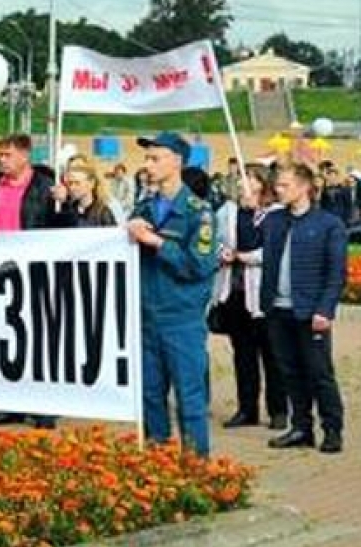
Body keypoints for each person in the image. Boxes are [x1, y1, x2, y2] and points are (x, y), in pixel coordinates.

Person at [126, 132, 221, 457]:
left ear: (177, 162)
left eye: (156, 158)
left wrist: (156, 242)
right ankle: (159, 463)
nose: (148, 165)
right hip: (146, 316)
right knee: (150, 395)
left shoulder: (199, 212)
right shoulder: (143, 208)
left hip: (181, 319)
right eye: (147, 158)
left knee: (189, 397)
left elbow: (200, 265)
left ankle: (197, 465)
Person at [0, 134, 58, 429]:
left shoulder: (45, 190)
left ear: (24, 155)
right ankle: (7, 403)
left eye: (7, 155)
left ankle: (43, 404)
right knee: (2, 339)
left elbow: (61, 228)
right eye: (0, 155)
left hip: (33, 276)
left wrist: (65, 204)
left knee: (36, 341)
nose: (1, 160)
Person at [259, 162, 346, 453]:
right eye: (277, 185)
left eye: (284, 185)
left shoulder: (328, 225)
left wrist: (325, 309)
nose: (277, 190)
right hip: (278, 309)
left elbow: (336, 273)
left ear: (304, 186)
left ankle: (332, 429)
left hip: (311, 311)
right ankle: (301, 427)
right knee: (289, 372)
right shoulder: (273, 221)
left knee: (319, 372)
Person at [214, 165, 283, 430]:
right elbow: (215, 239)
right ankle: (247, 408)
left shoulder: (275, 214)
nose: (242, 184)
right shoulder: (229, 211)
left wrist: (246, 257)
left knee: (272, 355)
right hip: (234, 293)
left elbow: (276, 250)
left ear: (261, 184)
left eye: (249, 179)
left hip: (264, 296)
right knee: (243, 355)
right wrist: (224, 253)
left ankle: (278, 409)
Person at [49, 163, 119, 228]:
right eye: (70, 183)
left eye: (77, 183)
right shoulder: (68, 208)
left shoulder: (103, 212)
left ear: (91, 183)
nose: (72, 188)